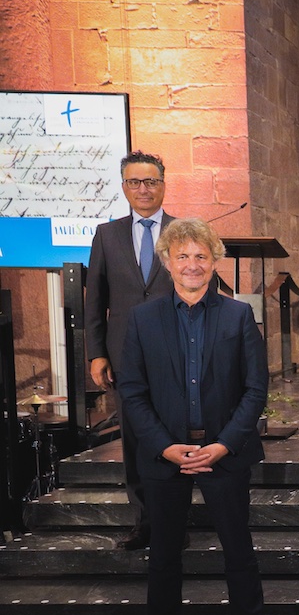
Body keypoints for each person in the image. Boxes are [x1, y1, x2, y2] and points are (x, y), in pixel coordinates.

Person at [118, 218, 272, 615]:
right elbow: (132, 390)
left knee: (238, 551)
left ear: (213, 261)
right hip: (166, 458)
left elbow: (255, 388)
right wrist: (166, 448)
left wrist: (223, 445)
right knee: (164, 555)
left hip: (223, 454)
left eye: (201, 255)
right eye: (182, 255)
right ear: (167, 262)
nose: (192, 264)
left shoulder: (237, 315)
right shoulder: (142, 320)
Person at [85, 151, 177, 550]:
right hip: (125, 355)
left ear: (163, 184)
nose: (144, 189)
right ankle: (144, 523)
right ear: (124, 187)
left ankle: (174, 523)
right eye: (135, 182)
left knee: (174, 436)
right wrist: (96, 352)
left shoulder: (182, 230)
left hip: (176, 352)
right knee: (136, 441)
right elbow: (96, 300)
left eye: (151, 181)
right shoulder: (107, 235)